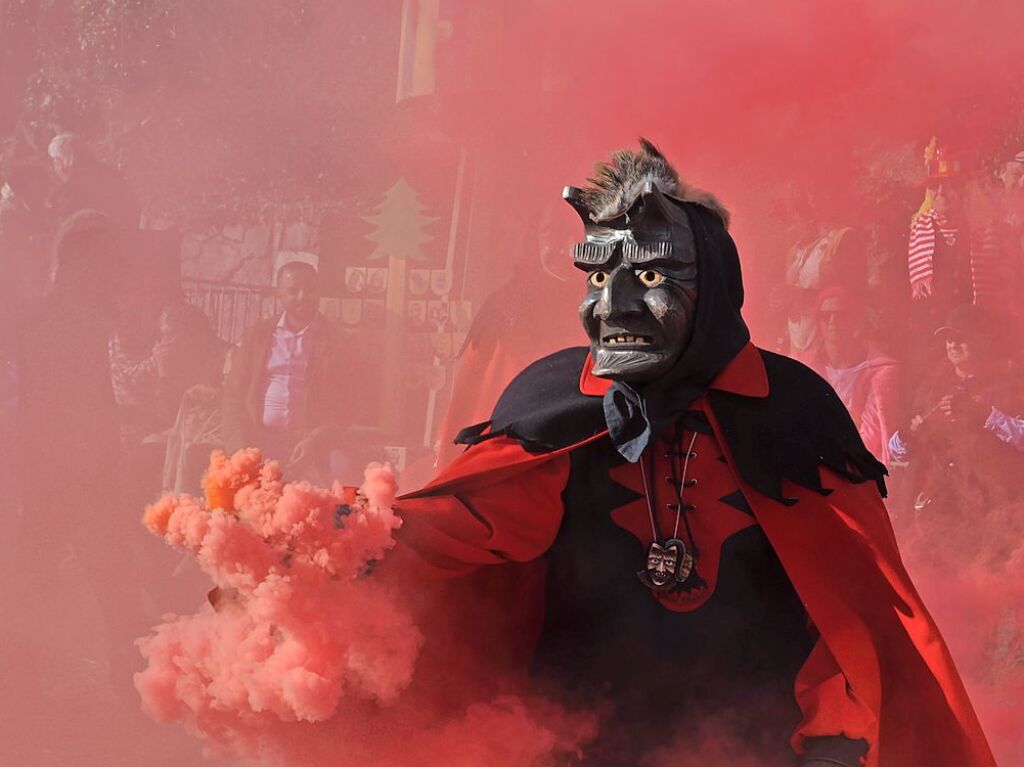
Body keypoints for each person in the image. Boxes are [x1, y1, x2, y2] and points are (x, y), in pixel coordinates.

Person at [386, 141, 994, 766]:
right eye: (598, 275)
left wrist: (834, 741)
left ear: (716, 287)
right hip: (578, 744)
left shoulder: (793, 412)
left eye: (649, 275)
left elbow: (846, 621)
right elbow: (458, 532)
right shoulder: (556, 402)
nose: (612, 305)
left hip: (757, 744)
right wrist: (341, 538)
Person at [887, 304, 1024, 559]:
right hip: (944, 506)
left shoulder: (1007, 382)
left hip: (997, 506)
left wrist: (985, 415)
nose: (953, 345)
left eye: (962, 338)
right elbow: (896, 452)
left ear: (983, 340)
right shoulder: (931, 387)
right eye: (949, 339)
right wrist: (908, 434)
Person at [222, 261, 353, 481]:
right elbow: (233, 396)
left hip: (311, 444)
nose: (303, 296)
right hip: (259, 441)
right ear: (279, 294)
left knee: (336, 481)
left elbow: (346, 405)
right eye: (293, 290)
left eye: (310, 289)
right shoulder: (258, 335)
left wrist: (315, 441)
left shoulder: (336, 341)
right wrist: (240, 449)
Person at [810, 287, 900, 463]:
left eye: (840, 315)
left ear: (855, 320)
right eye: (825, 315)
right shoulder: (804, 367)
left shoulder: (881, 373)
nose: (832, 321)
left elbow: (871, 436)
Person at [47, 132, 140, 229]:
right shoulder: (112, 174)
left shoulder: (70, 194)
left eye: (54, 161)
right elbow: (133, 210)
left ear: (60, 163)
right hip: (126, 238)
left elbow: (62, 235)